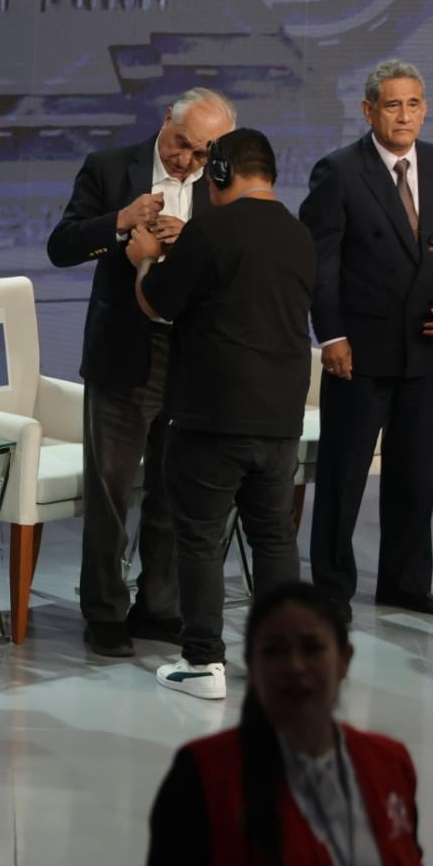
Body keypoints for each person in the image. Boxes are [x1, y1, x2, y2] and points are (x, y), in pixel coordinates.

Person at [140, 583, 433, 866]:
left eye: (312, 649)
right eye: (275, 651)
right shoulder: (202, 777)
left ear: (344, 660)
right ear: (251, 665)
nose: (295, 666)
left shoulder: (390, 762)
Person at [47, 88, 237, 658]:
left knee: (173, 488)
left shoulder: (220, 185)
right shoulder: (110, 168)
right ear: (164, 122)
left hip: (191, 356)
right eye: (182, 145)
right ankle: (104, 610)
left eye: (203, 154)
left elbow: (232, 257)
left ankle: (158, 607)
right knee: (110, 491)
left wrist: (191, 244)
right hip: (124, 353)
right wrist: (119, 223)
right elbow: (61, 247)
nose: (187, 162)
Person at [130, 128, 313, 700]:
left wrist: (145, 260)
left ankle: (203, 663)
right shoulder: (300, 233)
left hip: (212, 418)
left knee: (201, 540)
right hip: (281, 419)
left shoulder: (211, 229)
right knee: (275, 541)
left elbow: (158, 302)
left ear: (221, 173)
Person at [301, 59, 433, 620]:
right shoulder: (340, 171)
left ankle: (405, 583)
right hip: (360, 351)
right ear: (369, 110)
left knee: (415, 475)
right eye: (392, 105)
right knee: (345, 476)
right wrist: (333, 336)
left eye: (414, 103)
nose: (405, 115)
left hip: (423, 347)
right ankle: (330, 588)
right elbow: (320, 266)